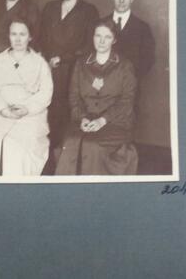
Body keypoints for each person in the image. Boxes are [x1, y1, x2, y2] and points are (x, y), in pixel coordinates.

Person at [37, 0, 99, 173]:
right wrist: (47, 58)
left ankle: (64, 162)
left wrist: (63, 58)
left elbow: (89, 45)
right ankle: (45, 159)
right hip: (49, 70)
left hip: (74, 72)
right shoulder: (50, 8)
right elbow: (40, 38)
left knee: (67, 114)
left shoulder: (88, 11)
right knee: (47, 113)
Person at [56, 19, 138, 175]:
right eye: (98, 35)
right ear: (92, 37)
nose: (101, 41)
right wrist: (82, 118)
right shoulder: (81, 64)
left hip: (115, 122)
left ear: (114, 40)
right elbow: (74, 97)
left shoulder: (125, 65)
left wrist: (102, 120)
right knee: (70, 142)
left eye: (107, 37)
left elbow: (127, 101)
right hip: (85, 120)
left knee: (91, 145)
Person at [0, 19, 53, 176]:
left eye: (22, 34)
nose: (18, 39)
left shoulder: (39, 63)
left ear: (30, 37)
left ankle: (16, 189)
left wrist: (27, 108)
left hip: (29, 117)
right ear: (9, 36)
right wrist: (3, 109)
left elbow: (46, 92)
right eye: (14, 34)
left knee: (15, 146)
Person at [105, 0, 155, 83]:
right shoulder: (100, 24)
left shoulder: (143, 28)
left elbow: (148, 60)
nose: (121, 0)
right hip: (104, 86)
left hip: (130, 86)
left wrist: (129, 79)